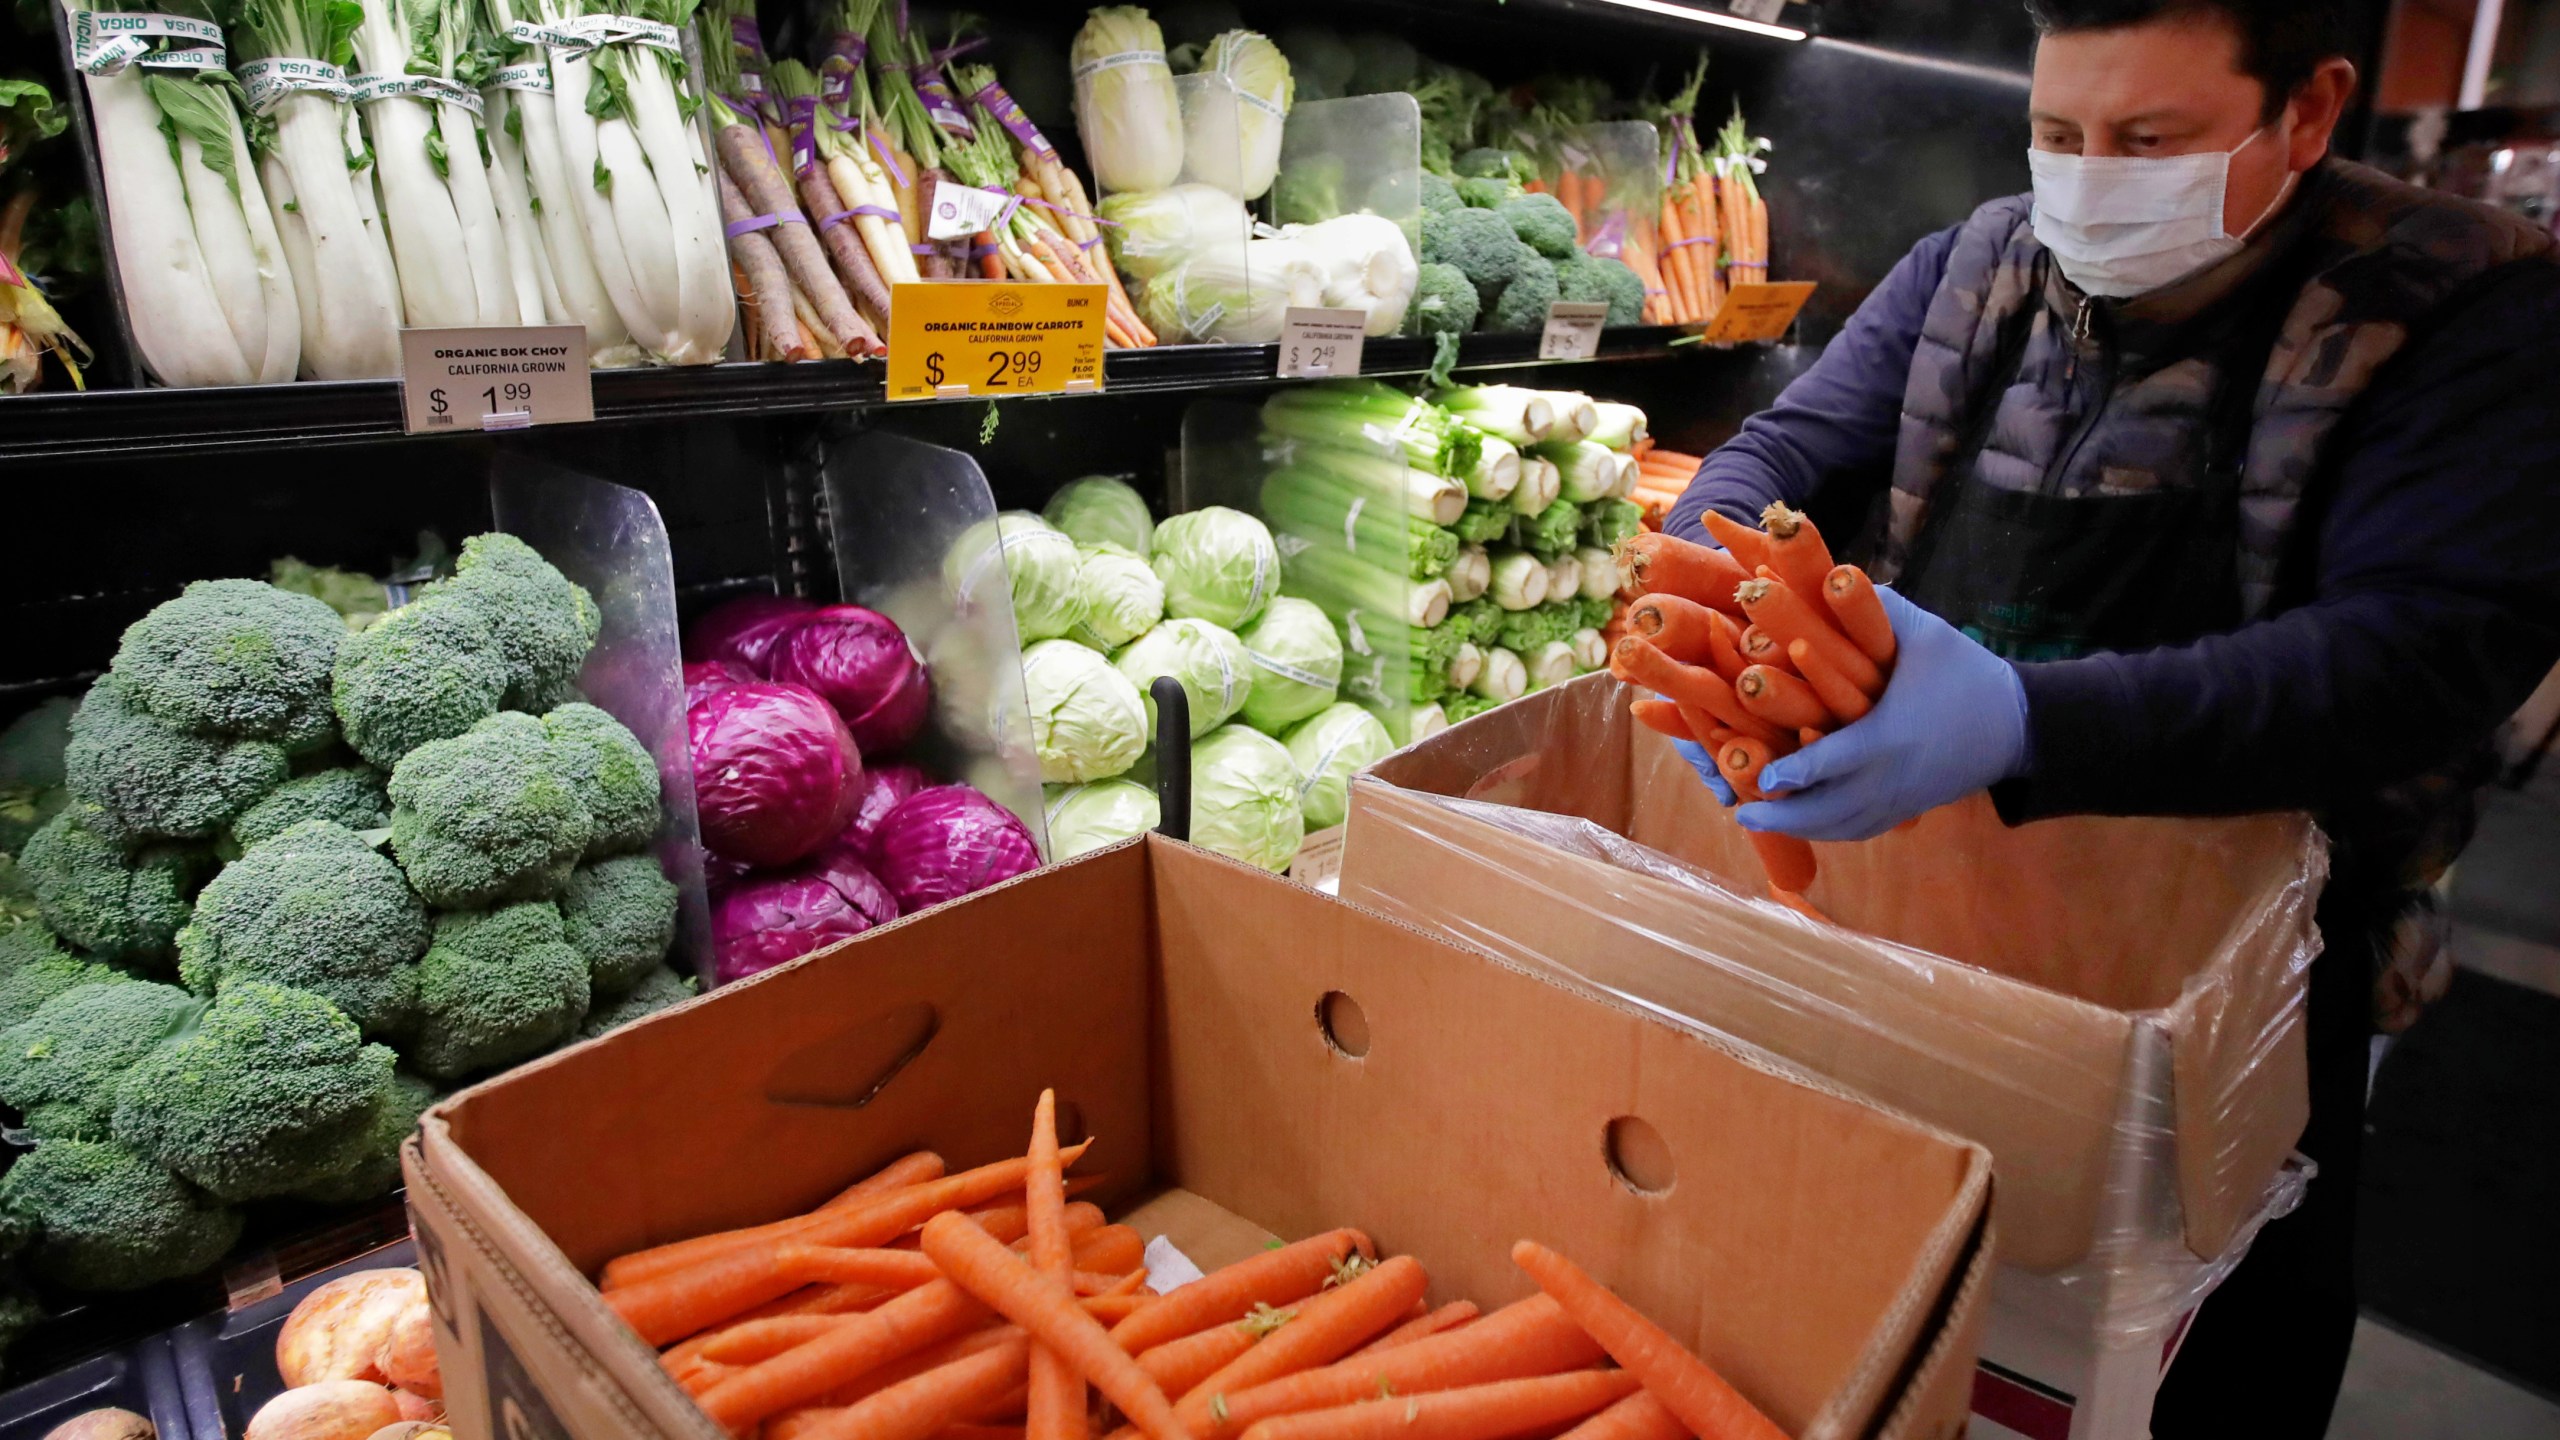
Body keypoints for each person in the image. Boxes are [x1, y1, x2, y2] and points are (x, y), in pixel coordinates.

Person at [1660, 0, 2560, 1433]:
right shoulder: (1979, 264)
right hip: (1941, 906)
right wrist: (1701, 580)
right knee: (1918, 1321)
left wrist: (2025, 720)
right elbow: (1784, 448)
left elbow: (2416, 657)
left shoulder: (2466, 306)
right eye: (2060, 133)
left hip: (2250, 963)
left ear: (2310, 114)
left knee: (2199, 1355)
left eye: (2150, 140)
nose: (2090, 177)